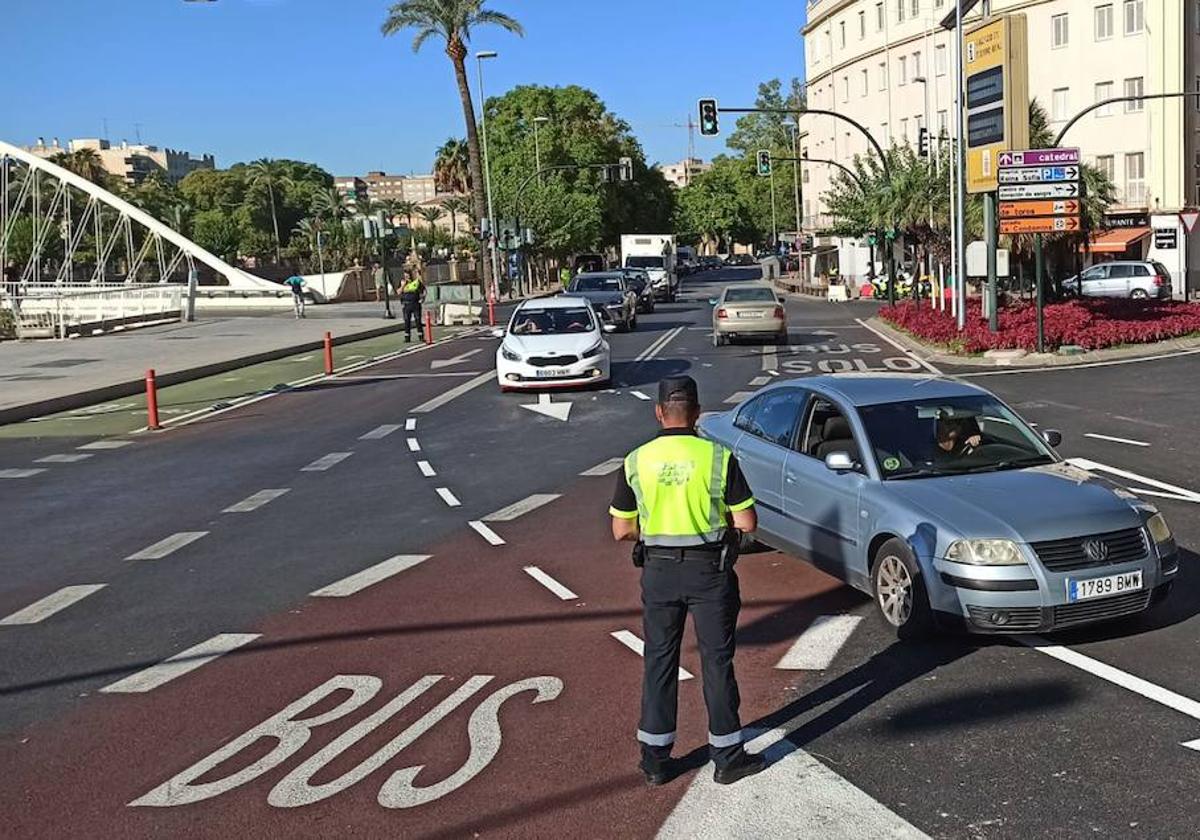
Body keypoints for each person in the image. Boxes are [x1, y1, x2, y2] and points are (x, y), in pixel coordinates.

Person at [609, 376, 766, 787]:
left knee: (659, 659)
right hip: (709, 572)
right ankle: (728, 756)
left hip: (658, 572)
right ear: (697, 413)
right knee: (717, 661)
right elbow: (747, 521)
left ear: (659, 412)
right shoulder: (718, 457)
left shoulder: (635, 460)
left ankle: (656, 760)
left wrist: (655, 531)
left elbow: (621, 530)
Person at [399, 267, 425, 342]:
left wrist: (422, 299)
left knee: (418, 320)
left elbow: (423, 291)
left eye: (408, 275)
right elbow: (398, 292)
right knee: (407, 321)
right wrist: (403, 285)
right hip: (406, 304)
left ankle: (421, 336)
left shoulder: (416, 282)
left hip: (415, 303)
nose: (406, 276)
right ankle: (407, 337)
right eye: (405, 275)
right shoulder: (402, 282)